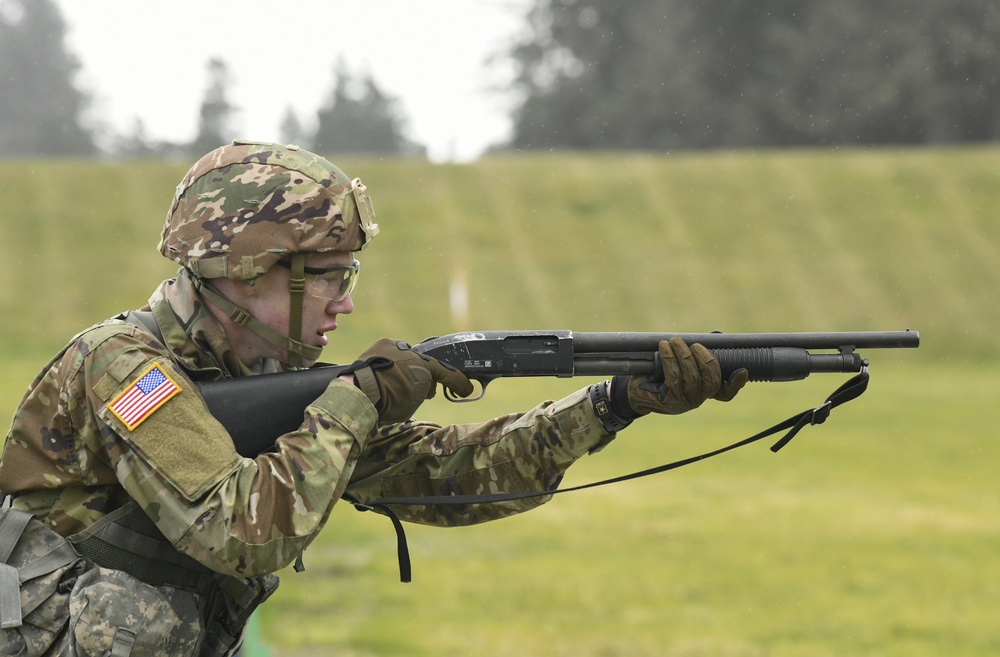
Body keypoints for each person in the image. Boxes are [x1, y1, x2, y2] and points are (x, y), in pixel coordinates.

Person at [0, 140, 746, 656]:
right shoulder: (126, 370)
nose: (343, 305)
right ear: (250, 271)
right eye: (327, 276)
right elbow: (242, 532)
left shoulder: (265, 381)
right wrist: (357, 401)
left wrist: (612, 404)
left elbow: (451, 476)